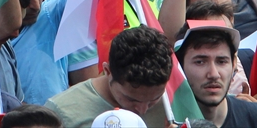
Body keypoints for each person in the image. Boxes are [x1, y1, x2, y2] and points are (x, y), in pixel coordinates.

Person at [44, 26, 173, 128]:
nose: (142, 110)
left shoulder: (173, 103)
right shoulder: (61, 111)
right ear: (107, 71)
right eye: (132, 99)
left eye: (153, 101)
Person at [173, 21, 257, 127]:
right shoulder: (164, 120)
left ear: (234, 64)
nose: (214, 74)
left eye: (221, 62)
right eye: (200, 62)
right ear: (180, 66)